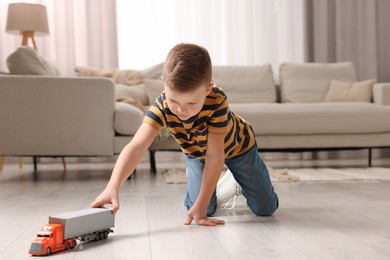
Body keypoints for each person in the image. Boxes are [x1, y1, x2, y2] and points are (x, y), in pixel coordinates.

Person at [90, 43, 279, 226]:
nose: (181, 110)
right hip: (197, 154)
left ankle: (237, 180)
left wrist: (202, 202)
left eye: (192, 103)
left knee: (266, 208)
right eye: (174, 100)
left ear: (207, 90)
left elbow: (215, 155)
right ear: (164, 84)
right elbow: (137, 147)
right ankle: (227, 185)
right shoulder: (162, 105)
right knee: (201, 209)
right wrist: (112, 186)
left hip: (239, 148)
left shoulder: (217, 99)